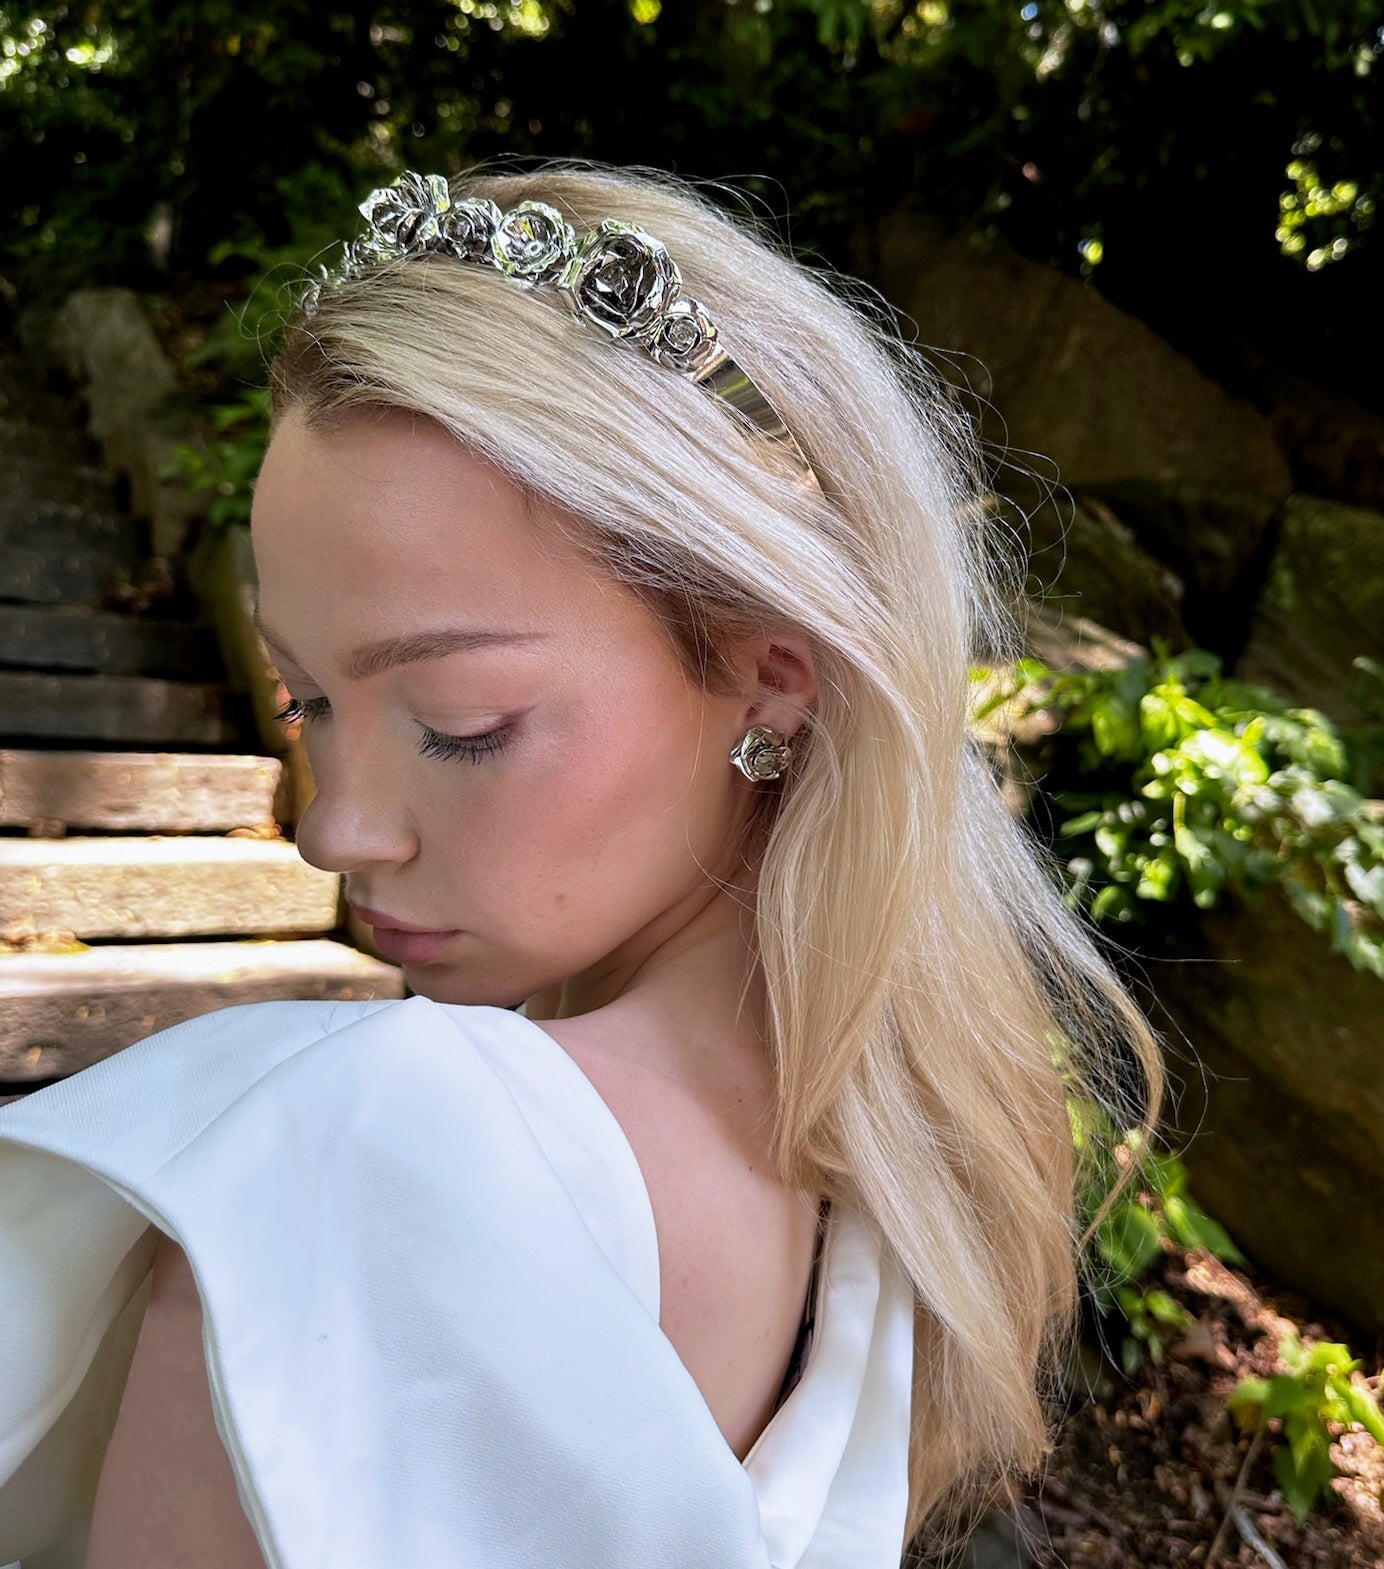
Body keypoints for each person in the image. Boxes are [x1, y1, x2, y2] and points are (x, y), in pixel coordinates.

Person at [0, 160, 1163, 1569]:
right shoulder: (866, 1214)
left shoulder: (378, 1151)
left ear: (767, 676)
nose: (334, 829)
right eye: (302, 701)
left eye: (458, 724)